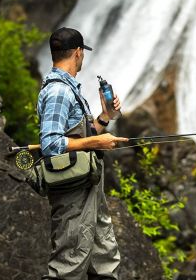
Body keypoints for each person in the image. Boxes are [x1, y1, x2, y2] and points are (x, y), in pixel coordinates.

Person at [37, 27, 128, 280]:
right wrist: (97, 141)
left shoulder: (69, 89)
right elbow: (50, 143)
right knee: (68, 263)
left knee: (104, 260)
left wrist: (104, 118)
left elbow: (80, 137)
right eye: (82, 53)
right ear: (78, 53)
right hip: (72, 192)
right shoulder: (58, 91)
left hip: (88, 187)